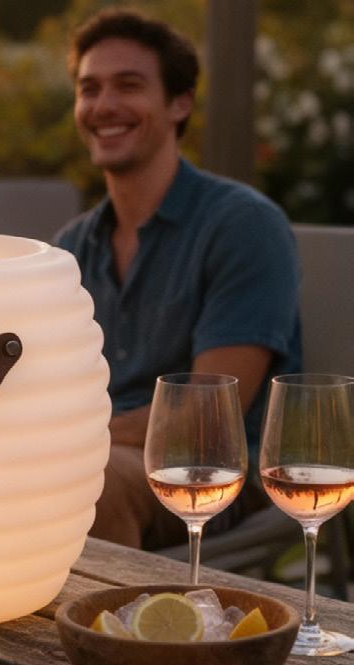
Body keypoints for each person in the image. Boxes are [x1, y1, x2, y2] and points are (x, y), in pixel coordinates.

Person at [55, 9, 301, 549]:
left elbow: (207, 419)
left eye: (128, 85)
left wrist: (72, 442)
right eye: (89, 88)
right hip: (89, 460)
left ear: (179, 103)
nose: (104, 105)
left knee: (91, 486)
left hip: (211, 476)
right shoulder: (71, 247)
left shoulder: (243, 226)